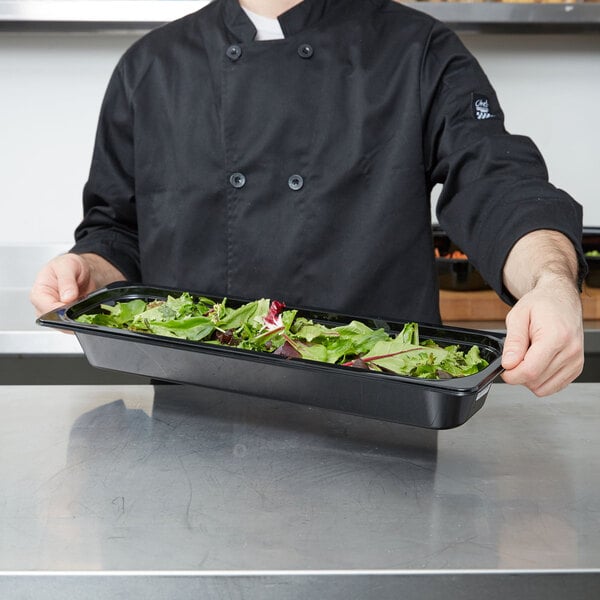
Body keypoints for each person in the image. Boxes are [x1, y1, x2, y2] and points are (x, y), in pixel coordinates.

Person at [31, 0, 586, 397]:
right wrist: (86, 270)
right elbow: (116, 234)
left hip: (382, 417)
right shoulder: (149, 68)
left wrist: (552, 283)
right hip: (194, 424)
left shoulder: (420, 50)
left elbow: (498, 183)